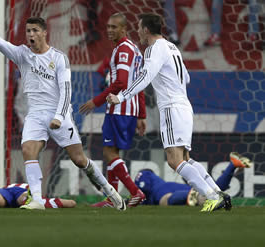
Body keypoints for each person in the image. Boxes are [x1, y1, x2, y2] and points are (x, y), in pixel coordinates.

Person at [0, 15, 125, 211]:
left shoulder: (58, 58)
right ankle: (36, 200)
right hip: (35, 114)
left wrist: (59, 117)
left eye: (35, 30)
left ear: (45, 33)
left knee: (79, 160)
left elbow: (66, 91)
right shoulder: (22, 54)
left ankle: (110, 192)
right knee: (29, 150)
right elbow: (1, 44)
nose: (31, 34)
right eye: (28, 31)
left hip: (59, 114)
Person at [107, 13, 231, 212]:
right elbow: (187, 77)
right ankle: (218, 193)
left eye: (139, 28)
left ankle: (210, 196)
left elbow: (146, 76)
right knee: (186, 158)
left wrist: (120, 97)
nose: (137, 31)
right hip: (184, 105)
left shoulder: (152, 48)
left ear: (146, 30)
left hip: (171, 108)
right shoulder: (172, 46)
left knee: (174, 160)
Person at [79, 13, 147, 208]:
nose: (110, 30)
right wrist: (142, 114)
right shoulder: (134, 49)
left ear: (124, 29)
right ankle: (112, 198)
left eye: (114, 27)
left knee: (109, 153)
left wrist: (96, 101)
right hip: (130, 109)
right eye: (108, 26)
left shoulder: (124, 50)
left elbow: (122, 82)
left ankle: (135, 192)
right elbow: (139, 84)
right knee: (112, 151)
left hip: (120, 108)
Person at [120, 152, 251, 207]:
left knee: (165, 200)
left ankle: (194, 196)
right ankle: (232, 165)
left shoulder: (143, 175)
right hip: (176, 186)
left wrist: (129, 201)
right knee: (213, 188)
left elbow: (142, 190)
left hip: (161, 191)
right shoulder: (154, 177)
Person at [0, 178, 76, 209]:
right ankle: (28, 200)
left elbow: (71, 203)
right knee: (27, 199)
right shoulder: (43, 200)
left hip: (6, 191)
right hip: (18, 191)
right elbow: (72, 203)